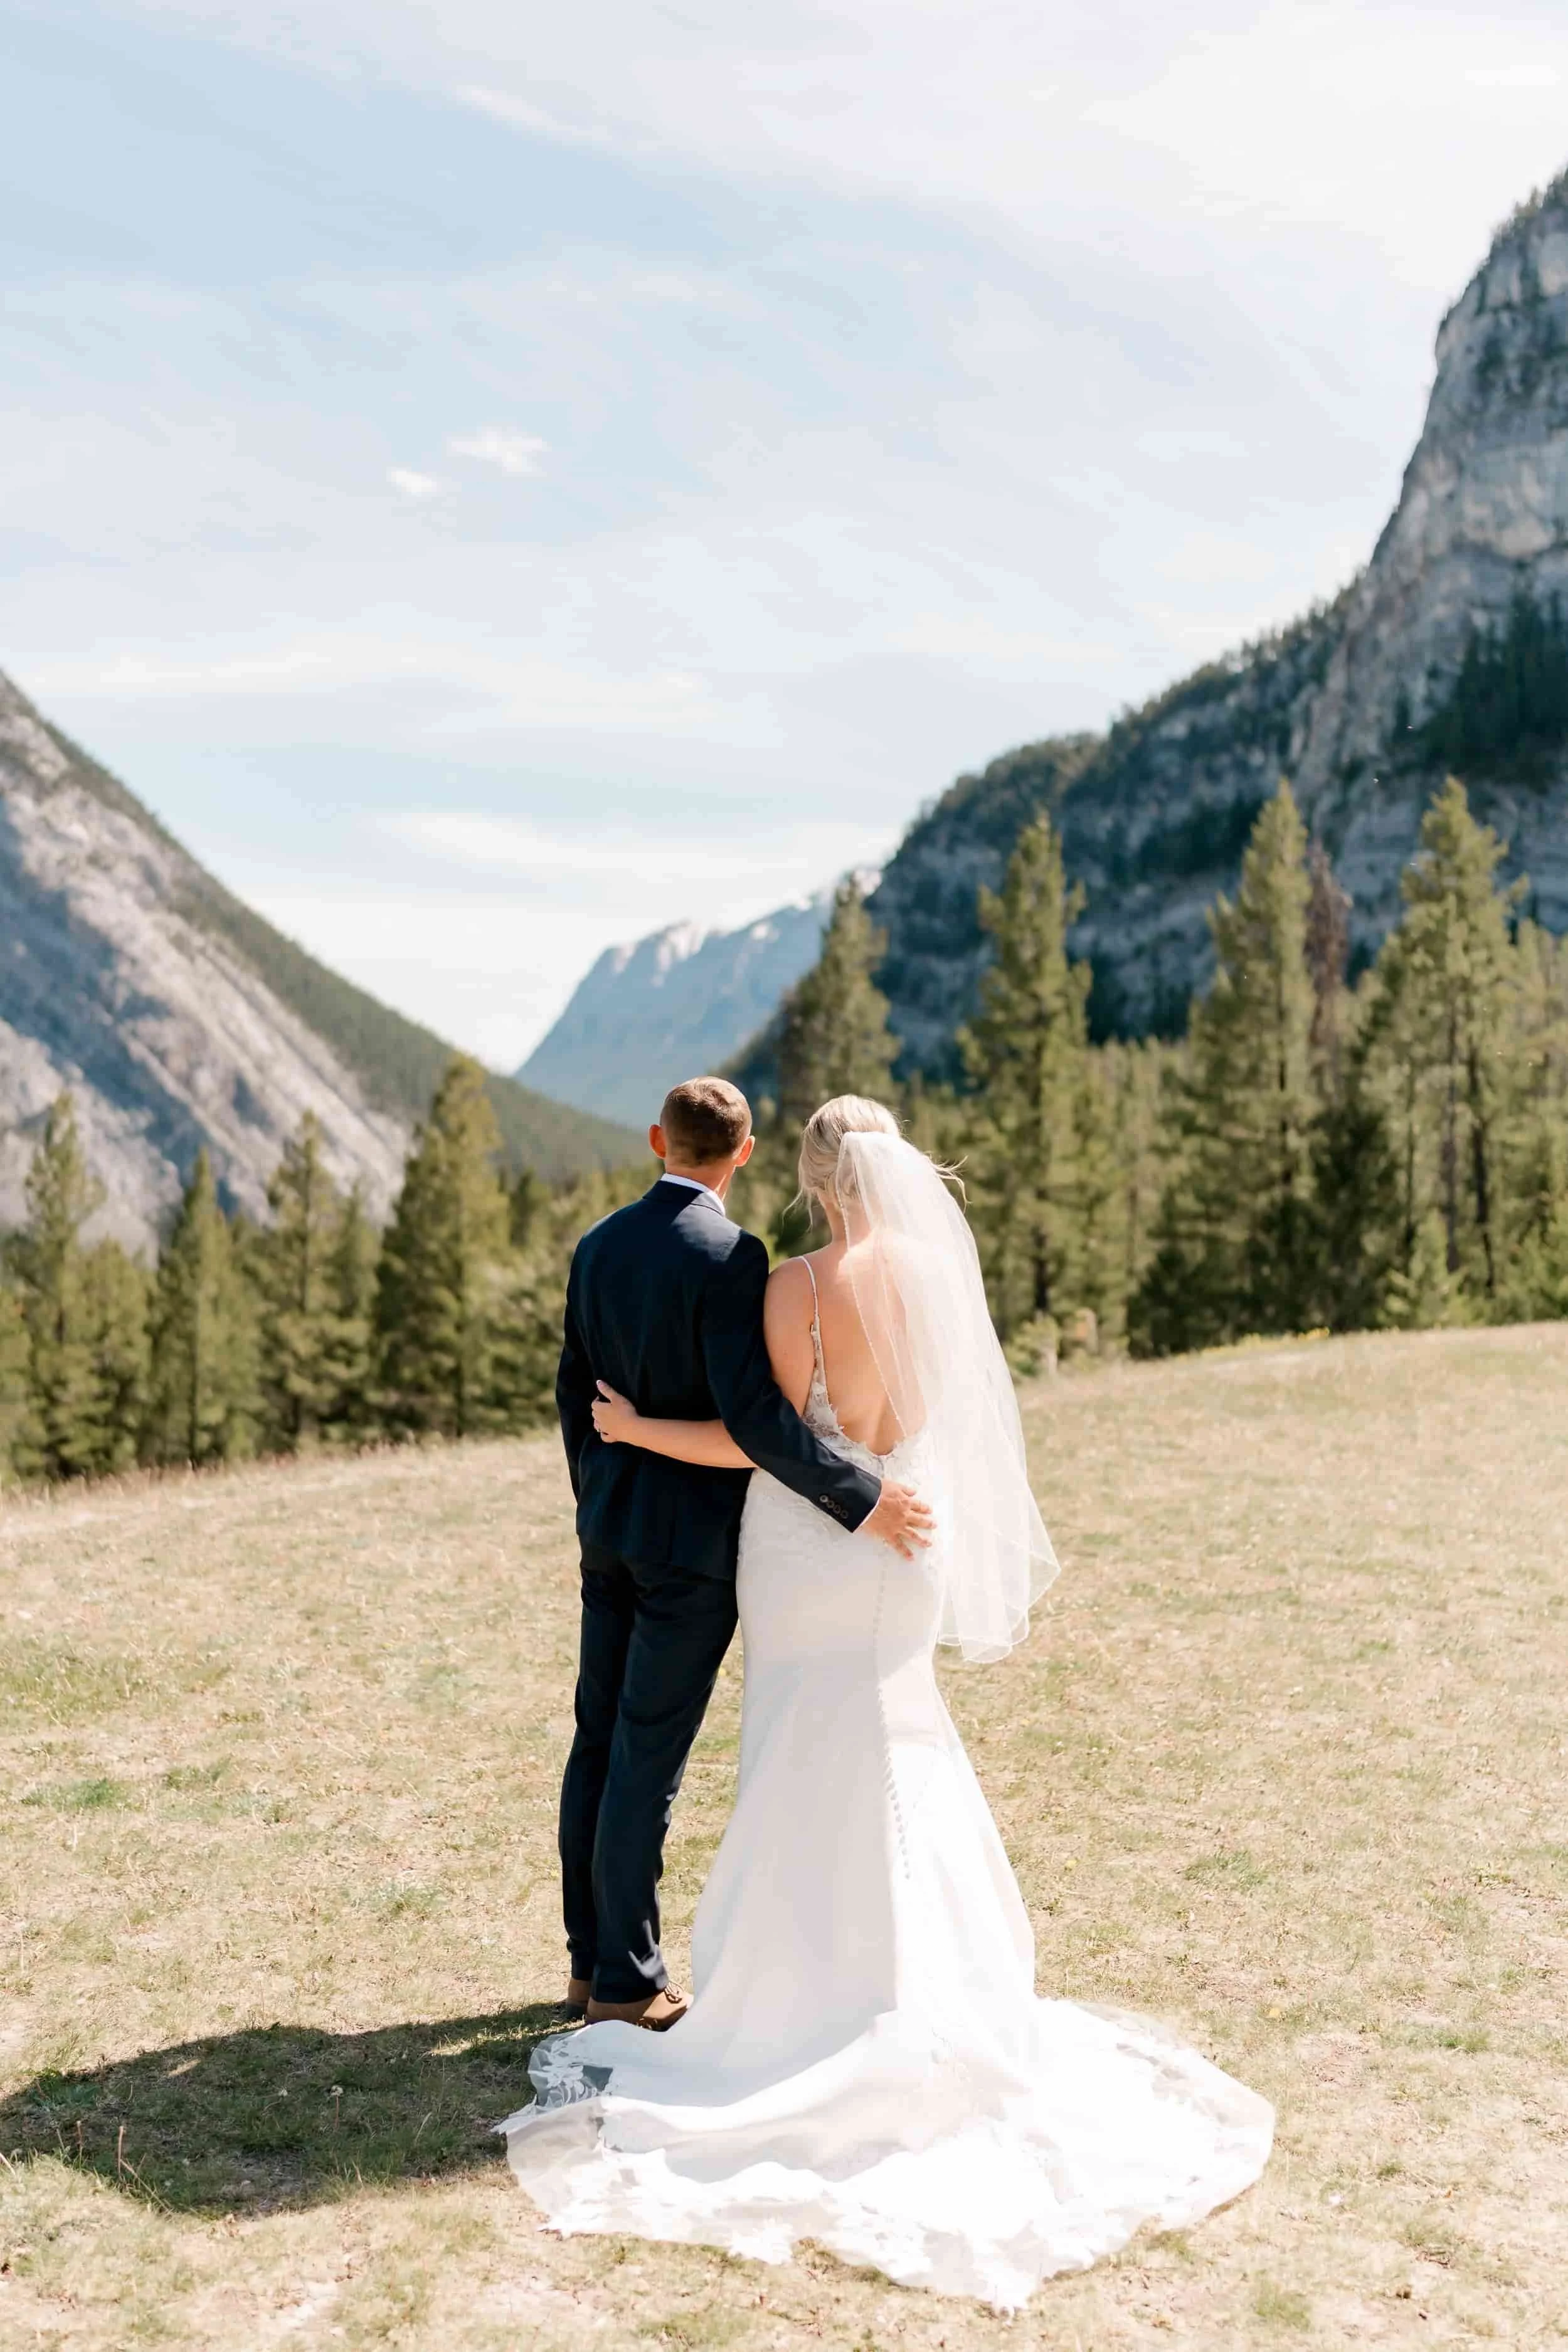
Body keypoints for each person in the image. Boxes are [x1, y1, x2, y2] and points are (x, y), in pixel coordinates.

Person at [504, 1094, 1273, 2309]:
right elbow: (941, 1432)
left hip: (808, 1554)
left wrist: (630, 1428)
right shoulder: (933, 1281)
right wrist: (879, 1498)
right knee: (900, 1747)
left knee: (777, 1754)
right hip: (905, 1545)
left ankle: (749, 1983)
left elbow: (756, 1437)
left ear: (805, 1177)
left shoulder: (791, 1286)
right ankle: (921, 1983)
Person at [551, 1076, 934, 2032]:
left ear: (657, 1141)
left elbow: (572, 1397)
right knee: (647, 1754)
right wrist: (863, 1494)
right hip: (692, 1548)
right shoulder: (733, 1256)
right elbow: (757, 1418)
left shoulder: (597, 1246)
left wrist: (599, 1493)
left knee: (596, 1738)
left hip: (611, 1530)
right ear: (746, 1151)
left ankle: (585, 1962)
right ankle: (628, 1981)